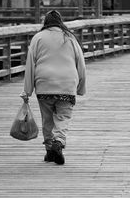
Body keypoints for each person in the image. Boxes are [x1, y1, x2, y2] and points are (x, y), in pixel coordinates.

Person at [21, 10, 86, 165]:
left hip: (44, 84)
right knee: (63, 117)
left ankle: (50, 151)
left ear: (46, 22)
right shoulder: (70, 37)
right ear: (60, 22)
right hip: (66, 84)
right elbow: (81, 64)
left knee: (47, 119)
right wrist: (81, 87)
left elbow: (30, 64)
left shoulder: (38, 38)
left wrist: (27, 90)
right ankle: (58, 141)